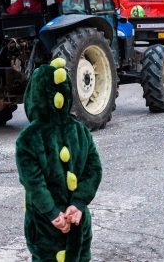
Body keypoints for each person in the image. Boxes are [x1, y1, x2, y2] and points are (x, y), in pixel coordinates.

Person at [16, 59, 102, 262]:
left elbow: (34, 183)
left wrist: (52, 212)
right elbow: (94, 170)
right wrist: (79, 203)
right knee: (79, 256)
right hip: (78, 219)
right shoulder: (80, 130)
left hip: (45, 223)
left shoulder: (28, 137)